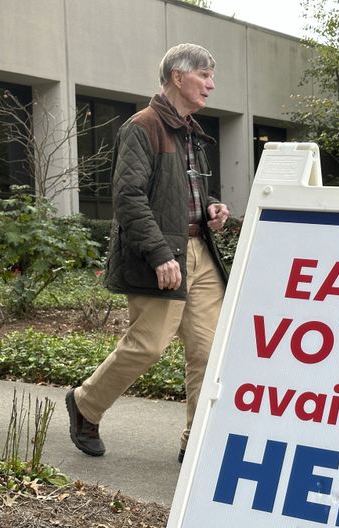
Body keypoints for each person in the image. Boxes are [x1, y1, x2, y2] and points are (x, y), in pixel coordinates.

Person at [65, 43, 229, 462]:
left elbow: (180, 189)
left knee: (208, 351)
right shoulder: (143, 126)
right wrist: (159, 253)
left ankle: (197, 440)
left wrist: (209, 205)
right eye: (205, 75)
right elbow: (129, 197)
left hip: (200, 252)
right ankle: (85, 404)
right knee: (148, 345)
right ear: (178, 76)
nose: (211, 84)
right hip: (162, 254)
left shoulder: (191, 129)